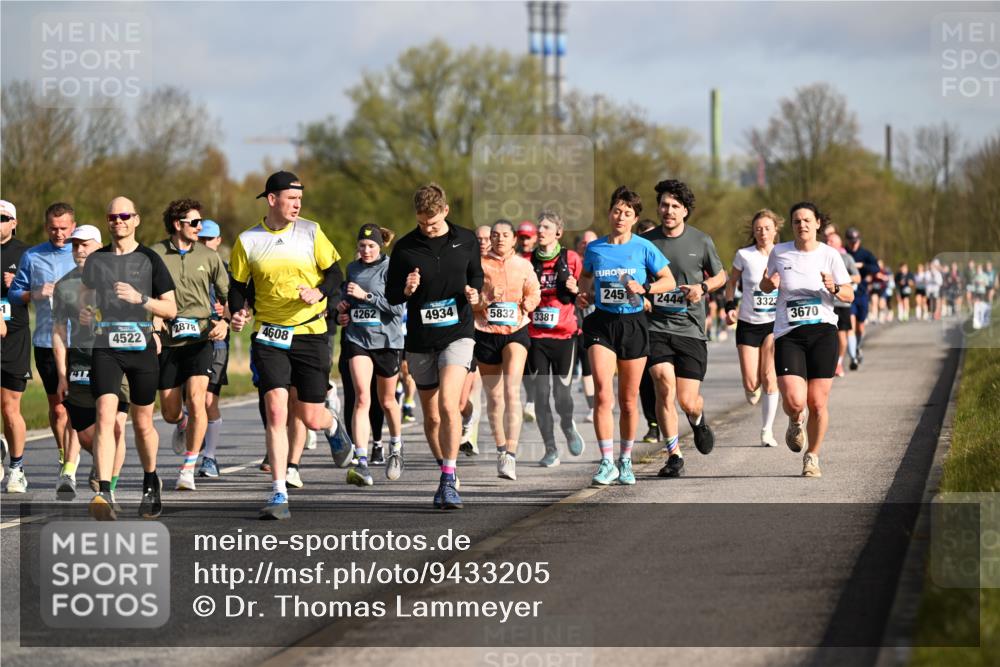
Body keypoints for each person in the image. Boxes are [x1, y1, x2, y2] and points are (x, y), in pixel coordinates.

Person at [228, 171, 345, 520]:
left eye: (300, 200)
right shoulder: (248, 240)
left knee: (309, 415)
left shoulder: (311, 231)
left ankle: (334, 426)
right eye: (291, 199)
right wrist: (238, 311)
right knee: (277, 410)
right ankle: (278, 491)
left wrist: (319, 292)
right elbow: (237, 285)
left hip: (310, 331)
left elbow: (336, 274)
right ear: (272, 199)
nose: (297, 205)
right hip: (269, 334)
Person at [385, 183, 483, 509]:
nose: (428, 228)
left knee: (449, 406)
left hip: (458, 332)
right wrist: (407, 288)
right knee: (432, 418)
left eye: (434, 222)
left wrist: (474, 294)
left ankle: (448, 479)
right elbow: (392, 295)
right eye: (422, 223)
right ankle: (447, 469)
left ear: (445, 211)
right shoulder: (404, 248)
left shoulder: (466, 239)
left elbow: (476, 277)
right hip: (420, 339)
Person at [81, 196, 178, 520]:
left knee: (142, 421)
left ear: (135, 219)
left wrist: (141, 299)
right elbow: (86, 297)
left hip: (141, 346)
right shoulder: (96, 260)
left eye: (124, 215)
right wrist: (86, 311)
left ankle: (151, 481)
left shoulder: (149, 259)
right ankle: (104, 490)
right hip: (106, 344)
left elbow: (171, 308)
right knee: (105, 413)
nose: (118, 221)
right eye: (112, 216)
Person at [577, 186, 675, 486]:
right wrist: (583, 293)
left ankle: (625, 460)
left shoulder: (644, 247)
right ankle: (606, 462)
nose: (621, 217)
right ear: (610, 213)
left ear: (635, 218)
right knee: (604, 395)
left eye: (627, 213)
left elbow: (668, 281)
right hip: (602, 324)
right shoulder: (595, 249)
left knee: (629, 400)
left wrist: (645, 289)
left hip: (633, 325)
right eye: (617, 211)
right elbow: (586, 278)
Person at [640, 179, 726, 478]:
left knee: (688, 400)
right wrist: (644, 296)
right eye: (664, 205)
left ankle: (698, 420)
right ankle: (674, 454)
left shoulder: (701, 241)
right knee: (663, 384)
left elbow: (721, 277)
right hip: (656, 326)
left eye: (675, 206)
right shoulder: (646, 242)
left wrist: (702, 287)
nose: (669, 210)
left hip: (690, 328)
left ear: (685, 211)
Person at [760, 202, 852, 478]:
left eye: (807, 220)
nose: (802, 225)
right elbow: (764, 285)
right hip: (790, 334)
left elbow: (848, 294)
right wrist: (769, 284)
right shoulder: (780, 251)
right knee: (795, 400)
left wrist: (833, 287)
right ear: (792, 225)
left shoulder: (830, 255)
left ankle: (812, 457)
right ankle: (794, 419)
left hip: (823, 332)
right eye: (797, 221)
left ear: (817, 224)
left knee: (818, 403)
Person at [154, 199, 230, 492]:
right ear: (178, 224)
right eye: (195, 223)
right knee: (171, 411)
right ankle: (182, 422)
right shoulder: (156, 254)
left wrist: (224, 321)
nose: (200, 227)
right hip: (170, 340)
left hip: (201, 338)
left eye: (201, 222)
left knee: (198, 399)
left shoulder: (208, 256)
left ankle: (188, 468)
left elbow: (228, 296)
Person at [51, 225, 129, 505]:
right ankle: (99, 462)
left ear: (99, 247)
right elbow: (59, 332)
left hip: (118, 356)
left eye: (84, 245)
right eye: (75, 246)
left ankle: (108, 491)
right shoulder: (65, 285)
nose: (79, 250)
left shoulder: (119, 277)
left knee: (116, 425)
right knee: (86, 434)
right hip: (81, 360)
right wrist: (61, 375)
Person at [8, 202, 78, 477]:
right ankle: (64, 455)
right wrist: (35, 292)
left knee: (82, 406)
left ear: (73, 226)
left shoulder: (85, 253)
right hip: (47, 342)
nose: (58, 234)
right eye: (52, 228)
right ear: (46, 226)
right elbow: (15, 294)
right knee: (58, 408)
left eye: (63, 228)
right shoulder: (32, 256)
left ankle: (76, 461)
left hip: (82, 342)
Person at [335, 223, 406, 486]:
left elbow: (397, 310)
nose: (366, 250)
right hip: (358, 339)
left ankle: (396, 447)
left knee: (387, 401)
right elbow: (349, 302)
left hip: (387, 341)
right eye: (362, 246)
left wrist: (366, 296)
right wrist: (343, 309)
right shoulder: (352, 268)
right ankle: (362, 460)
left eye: (371, 246)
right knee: (362, 398)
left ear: (380, 246)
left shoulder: (391, 269)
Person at [472, 219, 540, 481]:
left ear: (514, 239)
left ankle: (511, 453)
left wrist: (528, 303)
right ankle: (501, 450)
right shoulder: (479, 266)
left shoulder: (523, 264)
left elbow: (534, 292)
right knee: (495, 397)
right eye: (495, 235)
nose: (499, 239)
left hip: (516, 330)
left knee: (512, 389)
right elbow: (471, 301)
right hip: (486, 333)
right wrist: (483, 301)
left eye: (505, 235)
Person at [528, 211, 585, 466]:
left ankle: (568, 425)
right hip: (536, 335)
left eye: (546, 227)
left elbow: (586, 292)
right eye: (539, 227)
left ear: (558, 233)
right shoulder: (527, 261)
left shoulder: (571, 258)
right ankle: (550, 448)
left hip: (564, 335)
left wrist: (577, 290)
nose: (540, 231)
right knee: (541, 395)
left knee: (562, 395)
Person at [723, 209, 782, 447]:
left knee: (769, 377)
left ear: (775, 230)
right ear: (753, 232)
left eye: (767, 228)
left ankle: (767, 431)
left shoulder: (784, 254)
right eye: (758, 229)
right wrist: (729, 306)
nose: (763, 233)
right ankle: (751, 388)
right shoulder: (744, 255)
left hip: (774, 324)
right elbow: (731, 282)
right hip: (748, 323)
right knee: (751, 384)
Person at [195, 220, 230, 477]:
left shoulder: (227, 270)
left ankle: (209, 457)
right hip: (187, 340)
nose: (206, 244)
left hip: (216, 340)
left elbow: (242, 307)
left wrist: (226, 313)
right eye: (201, 239)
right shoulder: (186, 267)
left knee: (208, 400)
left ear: (218, 241)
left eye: (210, 239)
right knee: (189, 400)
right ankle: (186, 422)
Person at [1, 200, 30, 490]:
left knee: (10, 409)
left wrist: (18, 288)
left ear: (14, 222)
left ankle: (17, 468)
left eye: (2, 217)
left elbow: (42, 295)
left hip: (15, 339)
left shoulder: (26, 254)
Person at [825, 232, 861, 377]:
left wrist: (841, 278)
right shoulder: (821, 257)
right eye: (827, 241)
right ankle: (828, 364)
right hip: (826, 303)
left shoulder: (846, 258)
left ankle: (839, 363)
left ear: (839, 244)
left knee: (842, 338)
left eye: (832, 241)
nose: (829, 243)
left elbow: (858, 277)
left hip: (842, 303)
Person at [844, 227, 879, 369]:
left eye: (855, 241)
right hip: (847, 295)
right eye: (851, 241)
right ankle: (853, 358)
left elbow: (876, 268)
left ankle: (858, 348)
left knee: (860, 327)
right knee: (850, 326)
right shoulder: (843, 254)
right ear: (847, 241)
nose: (853, 244)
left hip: (862, 293)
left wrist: (863, 265)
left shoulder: (865, 254)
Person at [573, 230, 598, 422]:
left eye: (591, 242)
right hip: (575, 324)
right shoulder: (572, 264)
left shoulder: (602, 263)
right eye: (583, 242)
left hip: (599, 323)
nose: (586, 245)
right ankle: (592, 407)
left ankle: (601, 403)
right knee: (585, 369)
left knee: (594, 369)